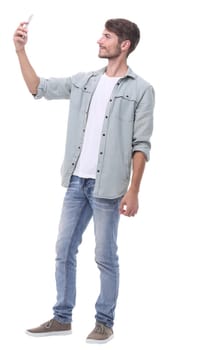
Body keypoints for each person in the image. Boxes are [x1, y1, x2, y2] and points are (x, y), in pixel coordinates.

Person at [13, 18, 155, 343]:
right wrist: (21, 50)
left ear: (124, 45)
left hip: (109, 188)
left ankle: (104, 321)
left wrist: (134, 191)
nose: (99, 41)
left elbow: (141, 145)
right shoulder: (84, 82)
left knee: (105, 257)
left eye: (106, 37)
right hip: (77, 183)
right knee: (64, 249)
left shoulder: (142, 90)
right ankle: (62, 317)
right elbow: (38, 88)